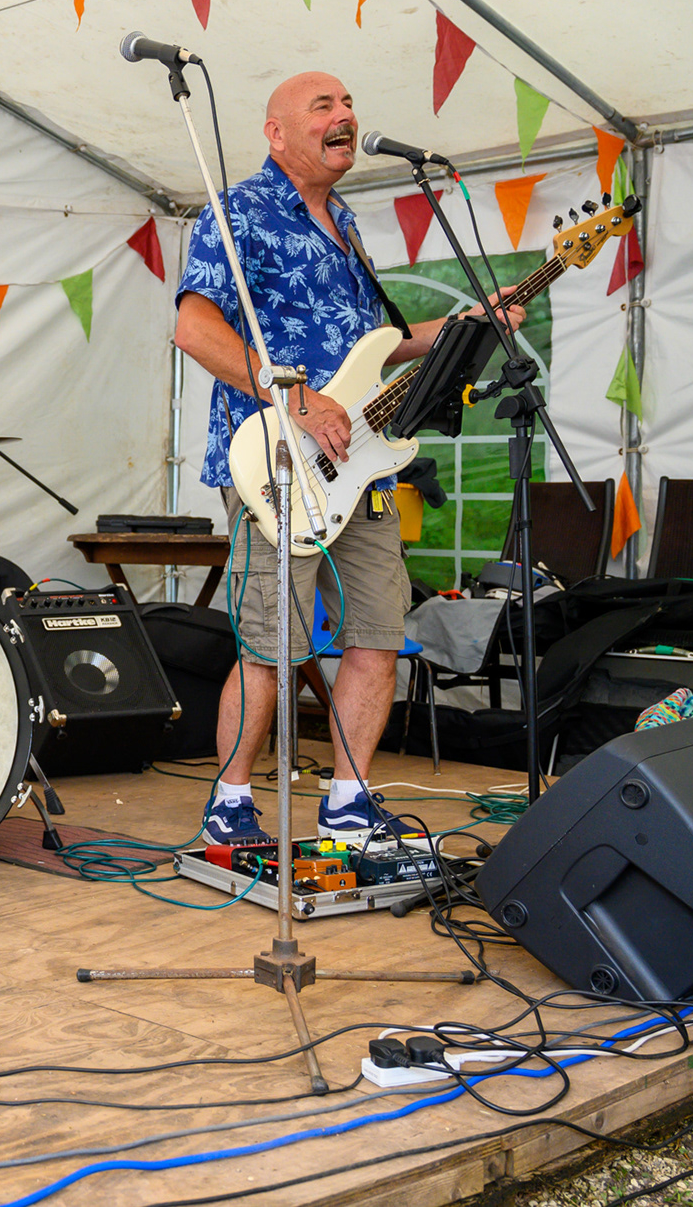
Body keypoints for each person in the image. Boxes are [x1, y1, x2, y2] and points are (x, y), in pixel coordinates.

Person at [173, 71, 524, 845]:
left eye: (348, 103)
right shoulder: (238, 213)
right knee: (270, 645)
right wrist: (290, 397)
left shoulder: (350, 221)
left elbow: (373, 347)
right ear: (276, 132)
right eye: (323, 106)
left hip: (361, 462)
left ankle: (350, 803)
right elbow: (194, 330)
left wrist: (458, 326)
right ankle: (229, 808)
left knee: (378, 633)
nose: (345, 116)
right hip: (276, 464)